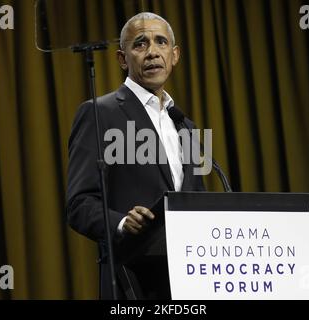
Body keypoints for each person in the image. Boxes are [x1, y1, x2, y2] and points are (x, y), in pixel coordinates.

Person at [66, 12, 205, 300]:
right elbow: (79, 204)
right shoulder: (99, 113)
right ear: (122, 58)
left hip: (187, 282)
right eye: (140, 44)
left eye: (161, 42)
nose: (153, 52)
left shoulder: (185, 125)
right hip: (131, 281)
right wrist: (120, 222)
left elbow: (197, 200)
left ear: (175, 54)